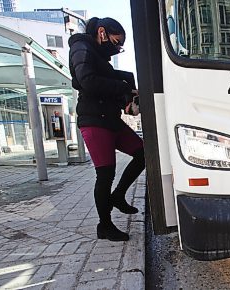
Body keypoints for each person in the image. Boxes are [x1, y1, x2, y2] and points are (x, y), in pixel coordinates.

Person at [68, 17, 145, 241]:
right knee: (105, 174)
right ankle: (105, 225)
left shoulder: (98, 55)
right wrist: (123, 87)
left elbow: (106, 86)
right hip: (94, 121)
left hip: (110, 119)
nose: (117, 48)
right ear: (102, 32)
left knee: (143, 154)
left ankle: (118, 195)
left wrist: (127, 99)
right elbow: (88, 81)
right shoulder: (81, 48)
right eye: (116, 41)